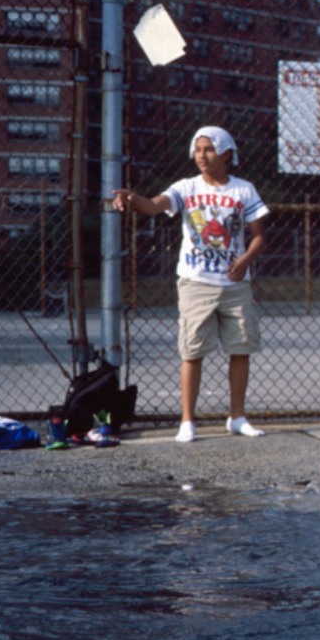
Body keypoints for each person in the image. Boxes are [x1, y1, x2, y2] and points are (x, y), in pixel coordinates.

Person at [112, 125, 268, 443]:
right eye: (197, 150)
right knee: (192, 351)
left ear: (226, 154)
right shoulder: (186, 187)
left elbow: (260, 237)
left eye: (209, 149)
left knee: (240, 348)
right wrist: (134, 199)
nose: (202, 155)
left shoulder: (244, 190)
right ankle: (187, 421)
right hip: (196, 282)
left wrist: (245, 261)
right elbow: (156, 205)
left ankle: (237, 417)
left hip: (235, 284)